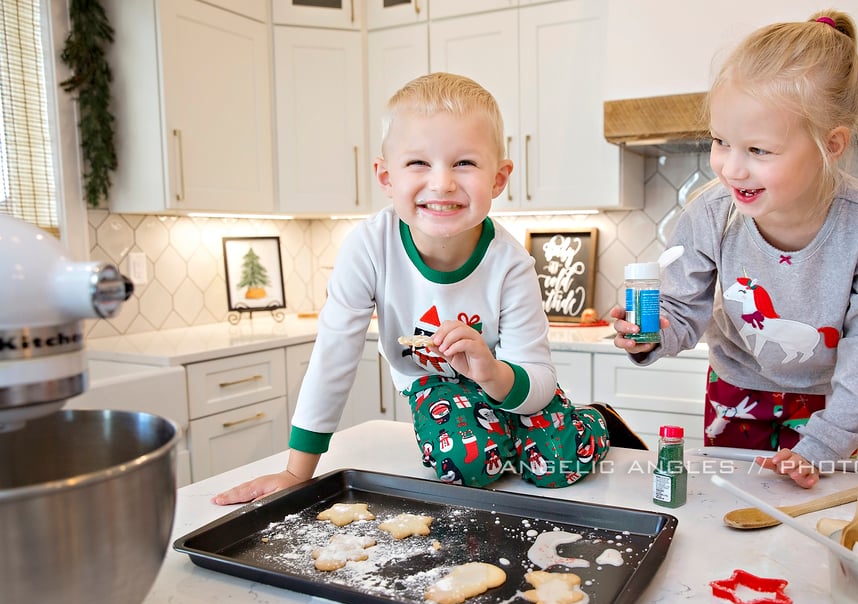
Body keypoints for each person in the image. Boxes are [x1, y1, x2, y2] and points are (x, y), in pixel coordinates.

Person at [214, 73, 614, 505]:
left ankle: (592, 421)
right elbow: (333, 358)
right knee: (469, 462)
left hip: (507, 379)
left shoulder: (511, 265)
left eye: (464, 163)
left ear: (498, 179)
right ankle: (498, 441)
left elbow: (536, 377)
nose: (441, 183)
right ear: (386, 178)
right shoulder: (369, 247)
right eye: (418, 163)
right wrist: (297, 471)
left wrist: (492, 372)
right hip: (435, 385)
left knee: (559, 464)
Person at [610, 10, 858, 489]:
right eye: (720, 141)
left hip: (830, 406)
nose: (730, 169)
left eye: (759, 151)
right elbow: (680, 312)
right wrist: (648, 335)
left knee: (809, 528)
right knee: (730, 511)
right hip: (734, 393)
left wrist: (823, 445)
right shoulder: (711, 213)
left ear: (830, 145)